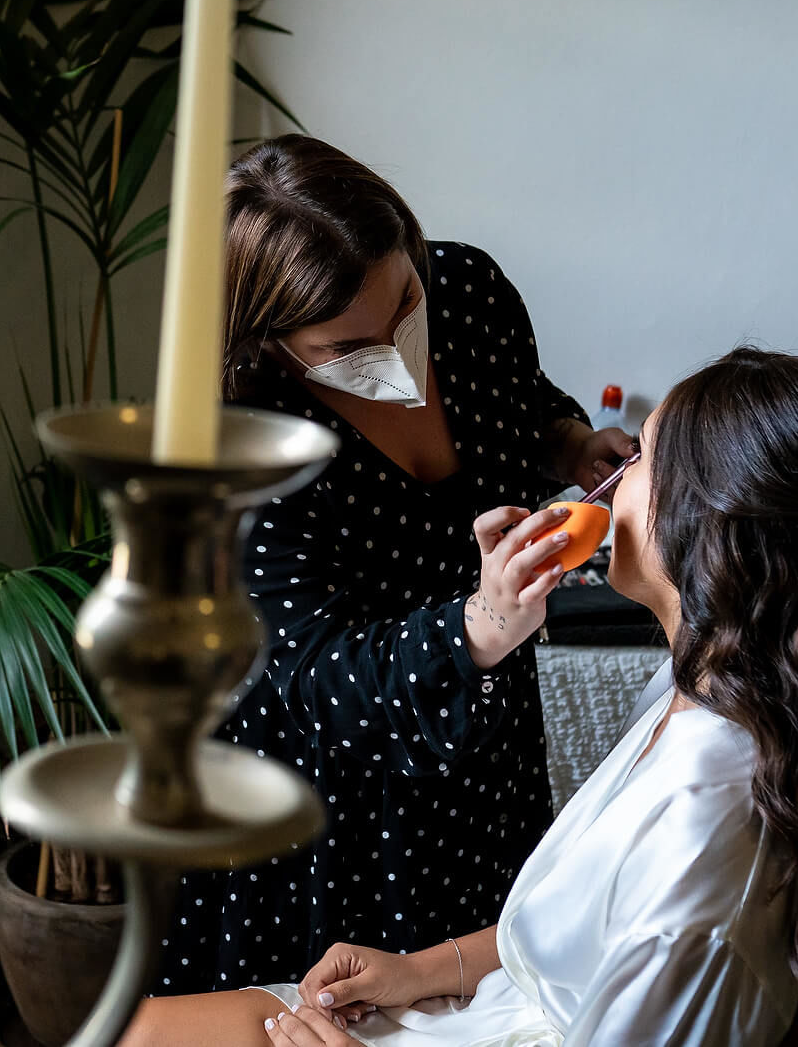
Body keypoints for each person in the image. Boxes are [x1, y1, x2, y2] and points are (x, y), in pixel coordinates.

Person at [126, 347, 798, 1046]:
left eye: (638, 462)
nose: (604, 480)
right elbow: (591, 931)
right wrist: (423, 969)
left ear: (709, 533)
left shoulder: (703, 850)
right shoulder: (722, 692)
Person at [161, 136, 633, 994]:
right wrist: (480, 625)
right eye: (348, 347)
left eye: (404, 304)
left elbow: (520, 400)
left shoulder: (467, 291)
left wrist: (571, 443)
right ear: (265, 342)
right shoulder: (231, 432)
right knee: (348, 1007)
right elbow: (307, 671)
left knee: (491, 984)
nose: (397, 353)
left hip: (482, 732)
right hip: (330, 783)